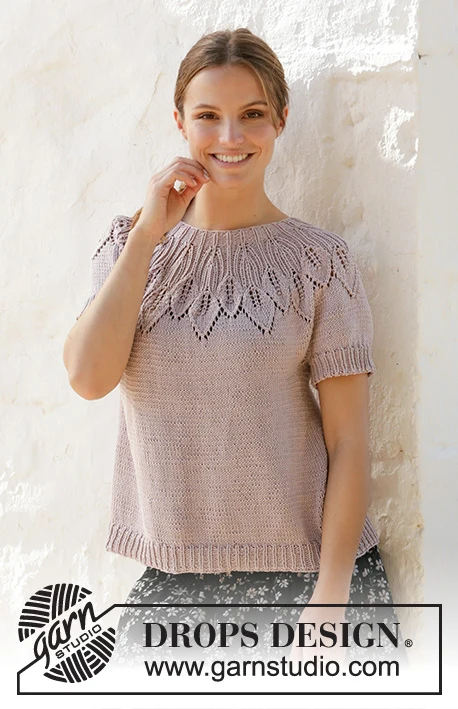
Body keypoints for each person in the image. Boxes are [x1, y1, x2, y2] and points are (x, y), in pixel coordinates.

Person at [64, 28, 406, 667]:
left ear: (280, 121)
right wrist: (146, 238)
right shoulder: (128, 247)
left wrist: (332, 601)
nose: (230, 136)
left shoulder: (319, 263)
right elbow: (88, 377)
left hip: (310, 585)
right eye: (207, 116)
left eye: (252, 114)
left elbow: (349, 443)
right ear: (179, 122)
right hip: (174, 586)